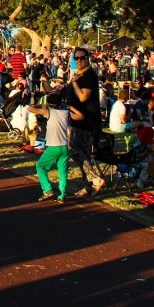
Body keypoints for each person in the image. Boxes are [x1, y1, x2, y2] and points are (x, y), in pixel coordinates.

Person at [65, 47, 104, 198]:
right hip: (75, 119)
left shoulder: (89, 76)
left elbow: (83, 97)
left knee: (75, 150)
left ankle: (95, 178)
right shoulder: (78, 74)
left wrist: (74, 84)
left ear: (88, 58)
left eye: (82, 57)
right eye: (77, 58)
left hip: (86, 120)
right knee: (84, 154)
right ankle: (90, 184)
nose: (79, 60)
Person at [28, 100, 81, 202]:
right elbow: (80, 116)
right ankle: (62, 195)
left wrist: (40, 105)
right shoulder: (66, 113)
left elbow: (30, 109)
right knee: (62, 172)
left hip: (53, 146)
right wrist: (70, 107)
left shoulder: (49, 112)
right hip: (64, 147)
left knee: (40, 166)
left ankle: (47, 189)